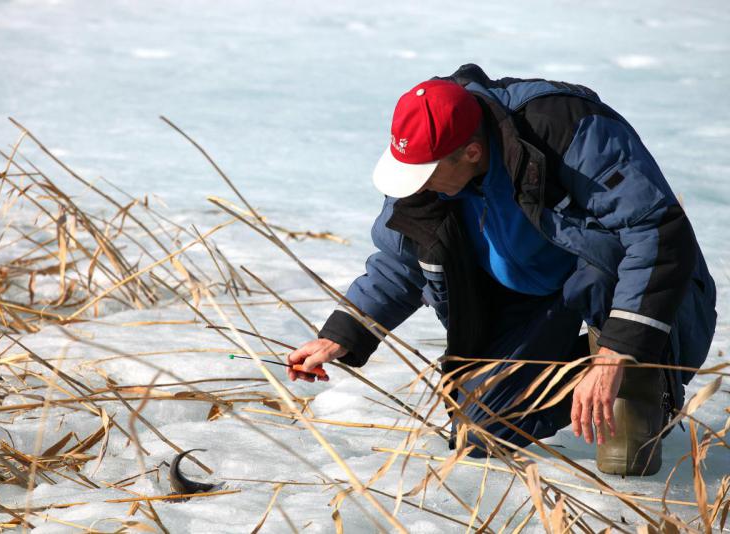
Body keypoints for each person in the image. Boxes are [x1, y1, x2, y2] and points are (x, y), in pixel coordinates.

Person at [287, 64, 716, 476]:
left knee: (625, 462)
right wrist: (340, 336)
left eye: (426, 173)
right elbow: (399, 262)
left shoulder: (568, 128)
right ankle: (583, 368)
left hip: (623, 287)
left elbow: (656, 233)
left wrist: (616, 353)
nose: (414, 183)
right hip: (529, 300)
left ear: (471, 152)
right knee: (479, 434)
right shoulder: (426, 165)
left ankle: (642, 376)